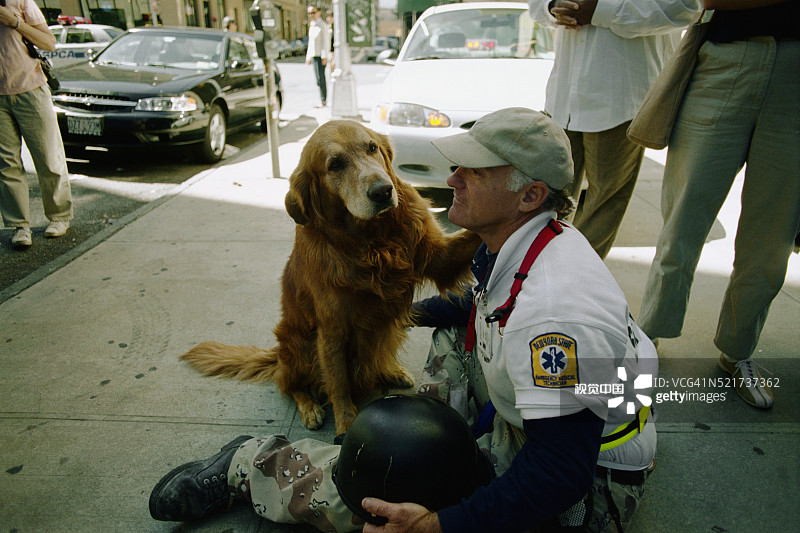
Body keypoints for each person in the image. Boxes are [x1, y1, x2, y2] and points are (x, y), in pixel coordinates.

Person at [149, 108, 658, 532]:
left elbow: (558, 473)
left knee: (390, 479)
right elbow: (476, 305)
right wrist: (385, 314)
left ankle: (252, 465)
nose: (451, 179)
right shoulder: (535, 238)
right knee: (449, 334)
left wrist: (436, 525)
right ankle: (440, 434)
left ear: (528, 195)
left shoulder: (553, 319)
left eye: (474, 172)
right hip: (547, 414)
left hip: (587, 484)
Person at [638, 0, 799, 410]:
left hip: (795, 71)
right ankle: (649, 333)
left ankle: (738, 351)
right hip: (727, 60)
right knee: (682, 220)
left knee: (771, 241)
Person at [527, 0, 701, 259]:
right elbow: (537, 5)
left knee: (603, 208)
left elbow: (685, 7)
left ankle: (574, 282)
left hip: (619, 98)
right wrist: (552, 6)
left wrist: (601, 11)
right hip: (563, 98)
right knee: (542, 200)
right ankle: (530, 277)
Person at [0, 0, 73, 248]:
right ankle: (20, 226)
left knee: (48, 157)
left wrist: (15, 22)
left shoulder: (20, 1)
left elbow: (49, 43)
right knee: (7, 164)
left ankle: (59, 216)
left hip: (30, 88)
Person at [305, 5, 330, 108]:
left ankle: (324, 100)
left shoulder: (322, 25)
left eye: (313, 12)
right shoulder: (312, 25)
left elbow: (326, 42)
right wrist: (308, 57)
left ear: (319, 12)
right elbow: (311, 43)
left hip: (320, 56)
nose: (311, 15)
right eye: (309, 13)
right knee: (318, 79)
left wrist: (325, 56)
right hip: (314, 55)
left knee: (321, 79)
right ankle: (322, 99)